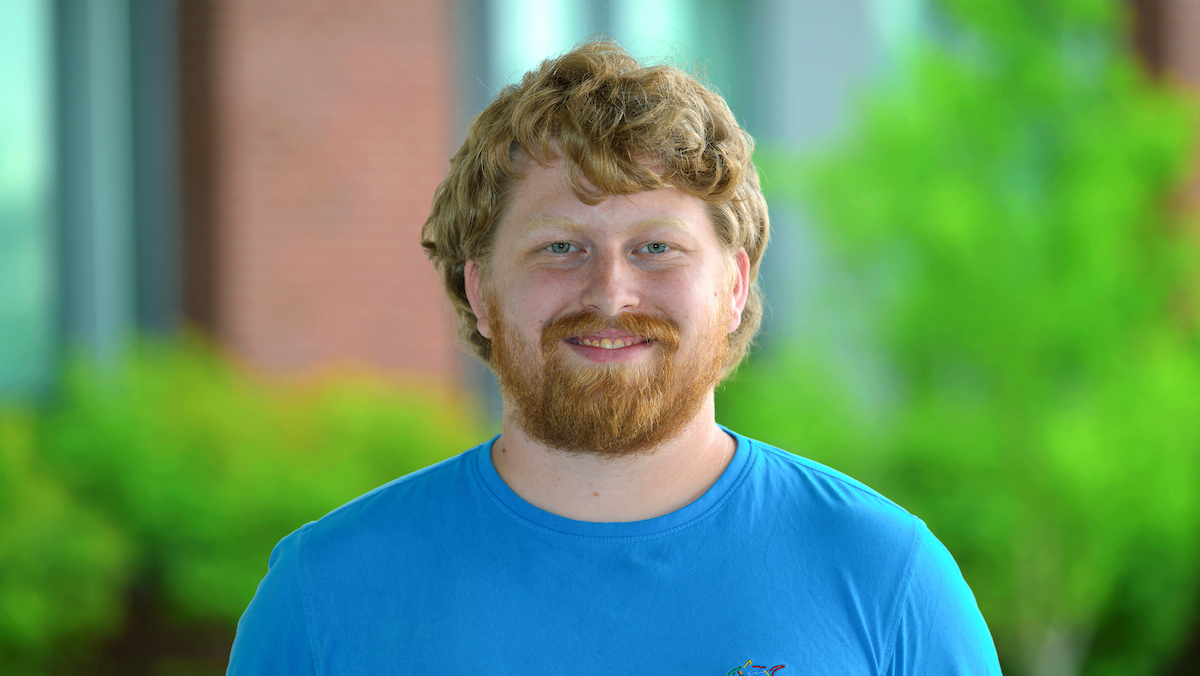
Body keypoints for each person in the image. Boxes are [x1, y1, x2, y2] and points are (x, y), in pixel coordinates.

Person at [227, 41, 1002, 675]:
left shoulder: (887, 578)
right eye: (560, 247)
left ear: (734, 287)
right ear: (481, 288)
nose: (610, 292)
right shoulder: (324, 597)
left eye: (657, 248)